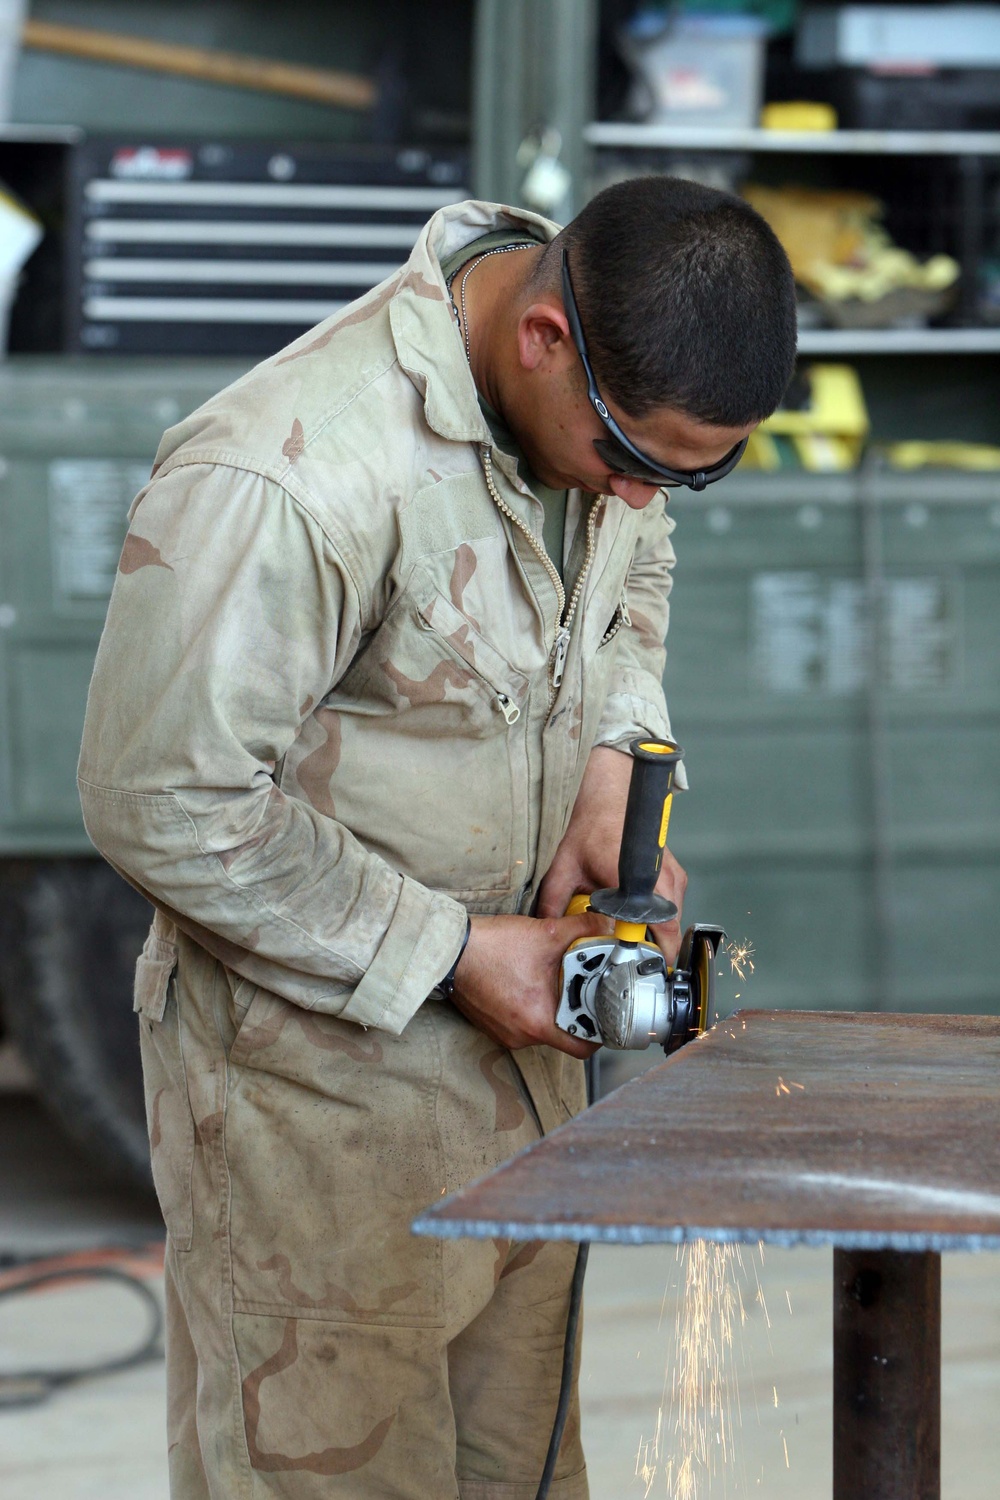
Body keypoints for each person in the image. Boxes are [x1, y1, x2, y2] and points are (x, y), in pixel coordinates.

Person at [79, 174, 796, 1499]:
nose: (646, 503)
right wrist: (457, 949)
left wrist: (610, 757)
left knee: (516, 1473)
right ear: (545, 342)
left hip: (523, 1085)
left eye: (695, 474)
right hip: (315, 1108)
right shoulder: (289, 475)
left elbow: (630, 579)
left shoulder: (599, 427)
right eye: (637, 463)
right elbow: (159, 799)